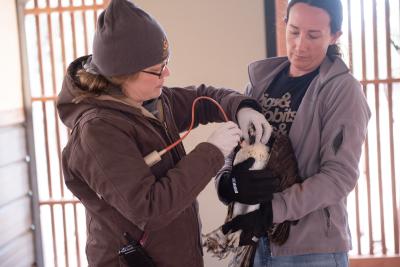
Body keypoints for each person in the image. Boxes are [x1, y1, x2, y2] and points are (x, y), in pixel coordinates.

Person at [57, 0, 276, 266]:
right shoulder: (97, 132)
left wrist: (242, 107)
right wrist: (213, 152)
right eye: (158, 69)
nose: (167, 73)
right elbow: (149, 209)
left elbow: (202, 97)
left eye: (166, 62)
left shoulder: (150, 101)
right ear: (122, 74)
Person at [218, 0, 371, 266]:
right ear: (285, 24)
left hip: (311, 250)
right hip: (253, 242)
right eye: (294, 31)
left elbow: (339, 176)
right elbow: (236, 143)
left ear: (335, 36)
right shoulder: (260, 82)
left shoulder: (342, 90)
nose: (300, 45)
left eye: (313, 35)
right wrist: (226, 180)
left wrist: (272, 210)